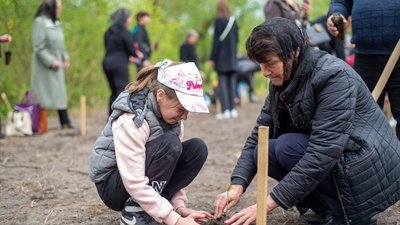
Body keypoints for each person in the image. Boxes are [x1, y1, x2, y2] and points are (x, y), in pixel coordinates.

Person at [213, 18, 400, 225]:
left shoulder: (333, 76)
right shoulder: (282, 79)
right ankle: (327, 210)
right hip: (341, 158)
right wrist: (236, 185)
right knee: (264, 150)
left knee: (286, 147)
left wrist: (266, 204)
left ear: (294, 51)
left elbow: (323, 152)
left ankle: (348, 214)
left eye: (270, 64)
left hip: (366, 165)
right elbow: (259, 134)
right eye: (260, 65)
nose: (264, 72)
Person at [89, 59, 212, 225]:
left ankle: (156, 207)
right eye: (181, 109)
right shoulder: (133, 119)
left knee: (197, 148)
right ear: (160, 95)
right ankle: (134, 212)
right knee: (171, 144)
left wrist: (178, 208)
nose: (184, 116)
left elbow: (171, 166)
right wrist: (175, 221)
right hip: (114, 185)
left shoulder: (173, 122)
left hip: (139, 181)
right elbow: (133, 180)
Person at [327, 0, 400, 140]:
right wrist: (336, 14)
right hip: (364, 56)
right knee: (363, 119)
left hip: (399, 53)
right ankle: (370, 160)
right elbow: (341, 2)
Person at [31, 0, 72, 130]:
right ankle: (38, 124)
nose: (59, 10)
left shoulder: (57, 23)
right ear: (50, 8)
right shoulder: (39, 22)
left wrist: (65, 58)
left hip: (58, 64)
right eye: (58, 7)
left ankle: (65, 122)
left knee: (60, 93)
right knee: (42, 94)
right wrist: (51, 61)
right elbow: (38, 47)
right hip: (44, 66)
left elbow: (61, 46)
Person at [102, 8, 137, 116]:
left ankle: (110, 116)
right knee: (122, 92)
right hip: (119, 64)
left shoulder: (108, 31)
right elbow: (131, 50)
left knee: (114, 91)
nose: (131, 20)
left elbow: (107, 46)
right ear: (126, 19)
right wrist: (135, 55)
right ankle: (119, 117)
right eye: (130, 17)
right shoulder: (125, 32)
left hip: (107, 62)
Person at [209, 0, 239, 119]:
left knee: (223, 85)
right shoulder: (233, 20)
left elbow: (216, 41)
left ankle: (225, 110)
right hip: (232, 58)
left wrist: (212, 57)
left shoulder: (218, 21)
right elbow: (237, 40)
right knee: (232, 83)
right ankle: (233, 110)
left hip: (221, 58)